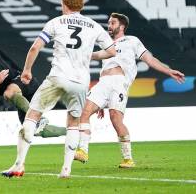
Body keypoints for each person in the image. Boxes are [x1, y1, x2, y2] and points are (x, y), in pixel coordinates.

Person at [1, 0, 116, 178]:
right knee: (73, 123)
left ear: (64, 3)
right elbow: (112, 52)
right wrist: (90, 56)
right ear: (81, 6)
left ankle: (19, 165)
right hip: (80, 82)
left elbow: (35, 47)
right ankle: (66, 170)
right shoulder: (94, 26)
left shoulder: (56, 22)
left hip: (58, 77)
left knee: (32, 116)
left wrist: (27, 70)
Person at [75, 13, 185, 172]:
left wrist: (168, 71)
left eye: (112, 23)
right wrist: (84, 55)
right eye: (109, 23)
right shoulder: (106, 44)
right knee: (84, 112)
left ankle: (128, 158)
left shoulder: (132, 41)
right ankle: (83, 151)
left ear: (122, 26)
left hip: (119, 83)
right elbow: (98, 56)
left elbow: (150, 59)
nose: (109, 26)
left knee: (116, 120)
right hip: (103, 84)